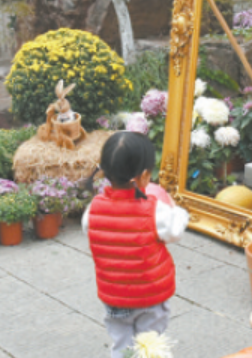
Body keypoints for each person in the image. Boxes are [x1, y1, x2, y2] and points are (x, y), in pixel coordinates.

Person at [82, 132, 189, 358]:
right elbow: (175, 231)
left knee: (121, 343)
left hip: (114, 296)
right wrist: (176, 208)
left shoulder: (93, 208)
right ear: (145, 176)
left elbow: (89, 230)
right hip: (150, 296)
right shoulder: (155, 209)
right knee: (150, 345)